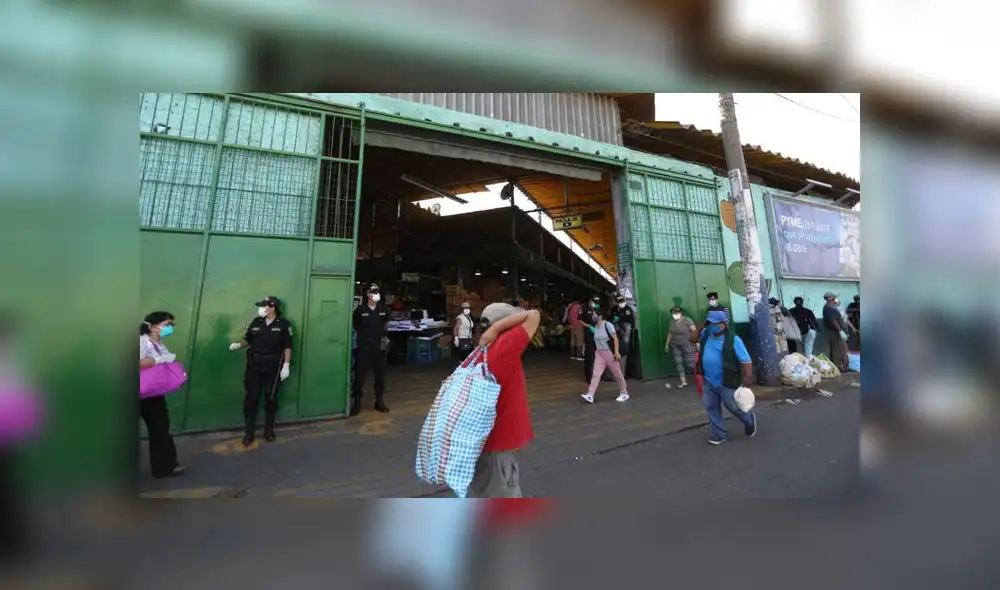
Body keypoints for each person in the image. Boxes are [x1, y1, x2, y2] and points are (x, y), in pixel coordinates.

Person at [469, 303, 540, 498]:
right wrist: (496, 329)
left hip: (488, 447)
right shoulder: (503, 348)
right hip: (497, 452)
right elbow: (533, 315)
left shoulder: (482, 352)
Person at [229, 296, 293, 446]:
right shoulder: (256, 322)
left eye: (264, 306)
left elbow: (288, 346)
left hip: (273, 365)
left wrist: (286, 365)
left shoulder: (283, 324)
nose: (261, 309)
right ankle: (249, 433)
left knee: (270, 398)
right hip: (254, 364)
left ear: (272, 307)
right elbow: (249, 339)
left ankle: (269, 431)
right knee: (251, 398)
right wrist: (239, 345)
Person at [693, 310, 757, 445]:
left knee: (733, 406)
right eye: (710, 323)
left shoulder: (734, 339)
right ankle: (718, 435)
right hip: (709, 380)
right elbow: (692, 339)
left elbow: (746, 361)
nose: (712, 326)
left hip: (727, 380)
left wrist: (747, 378)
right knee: (711, 407)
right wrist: (702, 325)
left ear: (723, 324)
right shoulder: (705, 334)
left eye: (714, 324)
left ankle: (749, 419)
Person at [139, 311, 186, 477]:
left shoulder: (160, 344)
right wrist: (158, 360)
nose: (170, 328)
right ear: (152, 327)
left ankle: (165, 467)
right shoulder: (141, 342)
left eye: (171, 324)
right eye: (167, 325)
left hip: (153, 394)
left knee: (160, 430)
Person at [351, 284, 390, 416]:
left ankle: (379, 401)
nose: (375, 294)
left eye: (377, 292)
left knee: (380, 376)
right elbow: (355, 324)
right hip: (363, 346)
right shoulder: (360, 310)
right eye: (373, 292)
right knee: (359, 376)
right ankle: (356, 403)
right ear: (368, 294)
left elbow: (386, 324)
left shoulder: (383, 309)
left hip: (378, 347)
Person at [580, 310, 630, 404]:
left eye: (594, 315)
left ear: (600, 316)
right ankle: (590, 395)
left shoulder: (608, 325)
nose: (593, 317)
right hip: (599, 354)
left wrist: (616, 352)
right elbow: (592, 330)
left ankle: (624, 393)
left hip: (609, 353)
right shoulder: (596, 326)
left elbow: (615, 338)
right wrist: (584, 324)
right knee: (596, 374)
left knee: (617, 374)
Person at [666, 306, 698, 388]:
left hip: (688, 345)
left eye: (677, 313)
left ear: (681, 313)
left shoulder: (687, 320)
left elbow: (694, 331)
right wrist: (667, 344)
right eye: (673, 313)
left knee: (692, 363)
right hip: (675, 345)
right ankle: (683, 381)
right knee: (678, 363)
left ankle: (701, 379)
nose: (675, 314)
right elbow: (670, 333)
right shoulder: (672, 321)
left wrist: (697, 343)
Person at [822, 292, 850, 372]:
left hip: (836, 332)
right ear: (831, 299)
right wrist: (840, 330)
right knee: (838, 350)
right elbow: (833, 320)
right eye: (835, 298)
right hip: (835, 332)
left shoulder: (831, 307)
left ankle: (844, 367)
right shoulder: (829, 307)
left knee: (842, 349)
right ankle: (839, 368)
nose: (836, 299)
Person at [610, 294, 635, 375]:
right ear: (616, 302)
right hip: (616, 329)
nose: (621, 303)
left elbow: (630, 319)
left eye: (622, 301)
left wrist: (620, 318)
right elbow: (610, 317)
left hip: (626, 328)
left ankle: (623, 369)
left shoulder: (628, 309)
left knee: (625, 345)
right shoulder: (613, 309)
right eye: (619, 302)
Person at [578, 296, 602, 383]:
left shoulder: (598, 309)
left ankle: (598, 374)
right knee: (589, 355)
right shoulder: (584, 308)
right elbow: (580, 320)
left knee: (599, 354)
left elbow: (601, 319)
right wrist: (589, 326)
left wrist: (598, 319)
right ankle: (588, 376)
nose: (596, 304)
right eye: (595, 302)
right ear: (590, 301)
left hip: (598, 334)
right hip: (589, 334)